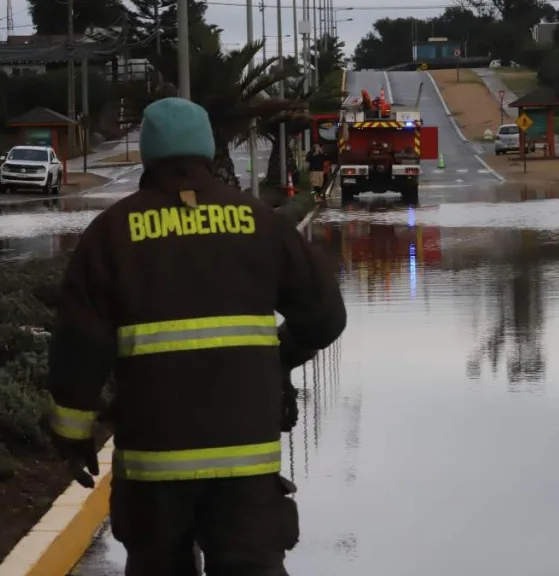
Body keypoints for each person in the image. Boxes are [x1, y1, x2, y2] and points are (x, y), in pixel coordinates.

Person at [46, 97, 346, 576]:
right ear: (207, 149)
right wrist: (281, 357)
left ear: (148, 153)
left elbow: (79, 349)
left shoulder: (111, 236)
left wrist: (72, 437)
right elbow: (325, 318)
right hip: (246, 467)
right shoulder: (260, 224)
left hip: (153, 468)